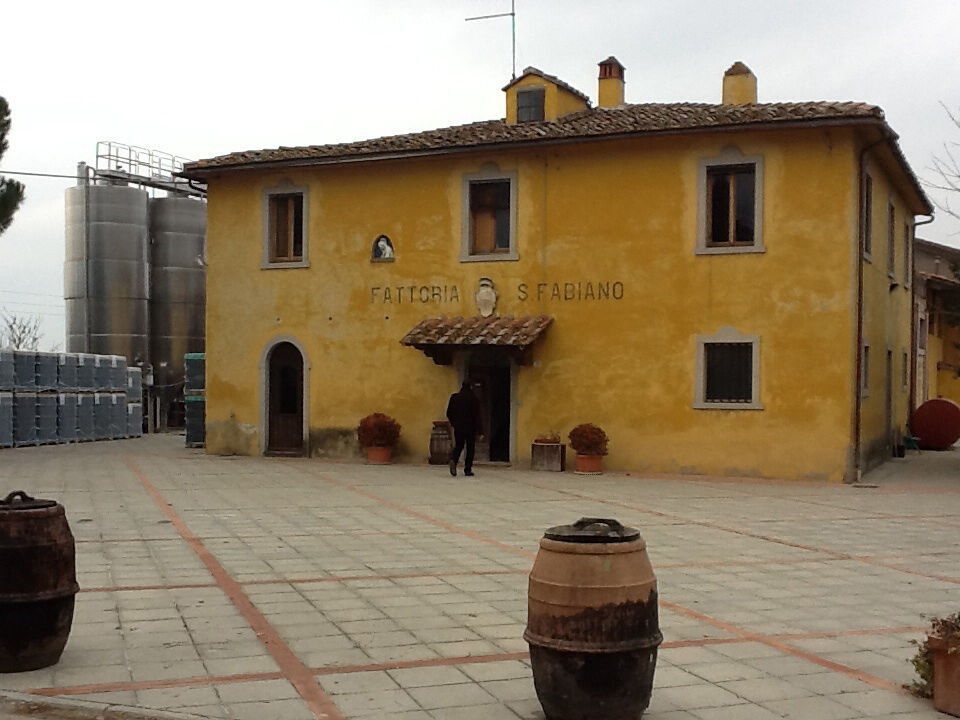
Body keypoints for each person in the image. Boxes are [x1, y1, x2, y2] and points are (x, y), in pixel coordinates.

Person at [446, 380, 482, 477]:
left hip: (458, 427)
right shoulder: (473, 399)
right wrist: (480, 431)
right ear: (470, 387)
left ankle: (454, 459)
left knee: (459, 445)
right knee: (470, 448)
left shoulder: (454, 398)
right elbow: (477, 416)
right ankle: (467, 469)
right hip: (470, 428)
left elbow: (449, 413)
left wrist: (454, 423)